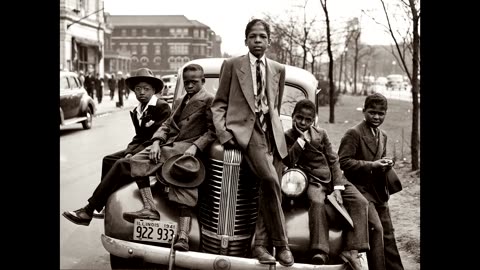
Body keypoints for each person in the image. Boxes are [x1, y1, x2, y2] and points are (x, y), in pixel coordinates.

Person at [210, 18, 293, 267]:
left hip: (272, 136)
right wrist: (225, 135)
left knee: (268, 188)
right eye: (253, 36)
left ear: (269, 40)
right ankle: (282, 245)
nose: (258, 40)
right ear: (246, 40)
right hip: (247, 132)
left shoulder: (278, 68)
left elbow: (275, 107)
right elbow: (219, 104)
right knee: (269, 180)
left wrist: (275, 130)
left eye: (262, 36)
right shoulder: (233, 65)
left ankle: (259, 245)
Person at [122, 63, 216, 252]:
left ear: (203, 82)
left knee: (184, 185)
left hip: (188, 150)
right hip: (170, 146)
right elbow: (167, 124)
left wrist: (195, 148)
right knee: (137, 160)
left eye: (194, 82)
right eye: (186, 82)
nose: (189, 85)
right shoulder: (181, 99)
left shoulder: (209, 100)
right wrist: (156, 141)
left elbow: (212, 131)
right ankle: (149, 207)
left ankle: (183, 237)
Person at [62, 67, 172, 226]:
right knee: (108, 160)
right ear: (134, 91)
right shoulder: (138, 110)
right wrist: (129, 151)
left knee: (121, 164)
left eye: (146, 89)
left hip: (155, 152)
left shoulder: (161, 107)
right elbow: (139, 137)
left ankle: (89, 210)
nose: (142, 92)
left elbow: (159, 136)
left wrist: (133, 154)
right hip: (141, 148)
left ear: (154, 90)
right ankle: (105, 205)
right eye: (138, 89)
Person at [283, 99, 368, 269]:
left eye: (308, 120)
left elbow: (334, 160)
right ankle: (320, 250)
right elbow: (288, 161)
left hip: (333, 179)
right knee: (316, 202)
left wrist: (338, 186)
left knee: (361, 202)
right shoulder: (287, 137)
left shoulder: (321, 133)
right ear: (293, 117)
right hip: (312, 180)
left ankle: (352, 249)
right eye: (299, 118)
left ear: (313, 120)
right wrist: (300, 141)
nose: (303, 123)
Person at [338, 93, 404, 270]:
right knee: (376, 229)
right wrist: (372, 165)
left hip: (377, 191)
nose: (376, 117)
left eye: (381, 113)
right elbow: (343, 162)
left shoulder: (382, 135)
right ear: (364, 111)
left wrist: (386, 163)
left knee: (388, 233)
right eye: (372, 112)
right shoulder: (353, 133)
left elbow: (379, 158)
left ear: (385, 114)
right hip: (358, 190)